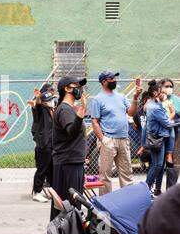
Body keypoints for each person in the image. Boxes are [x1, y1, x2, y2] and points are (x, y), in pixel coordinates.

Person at [90, 71, 141, 195]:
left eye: (114, 78)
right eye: (111, 78)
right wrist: (103, 140)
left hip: (124, 139)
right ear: (103, 82)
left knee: (127, 174)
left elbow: (131, 113)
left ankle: (127, 202)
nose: (114, 80)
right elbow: (95, 121)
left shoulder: (121, 96)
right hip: (108, 140)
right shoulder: (97, 99)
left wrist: (135, 98)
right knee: (105, 176)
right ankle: (106, 204)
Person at [50, 76, 87, 221]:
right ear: (66, 88)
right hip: (68, 164)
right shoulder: (65, 109)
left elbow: (74, 137)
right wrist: (81, 112)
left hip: (72, 162)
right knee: (69, 207)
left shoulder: (69, 109)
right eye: (76, 85)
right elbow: (71, 131)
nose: (80, 88)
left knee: (71, 206)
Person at [144, 80, 179, 196]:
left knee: (158, 165)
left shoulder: (153, 104)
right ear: (155, 93)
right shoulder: (154, 107)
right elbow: (167, 123)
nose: (163, 92)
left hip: (160, 137)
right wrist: (177, 122)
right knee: (157, 165)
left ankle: (152, 190)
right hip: (157, 138)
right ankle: (146, 188)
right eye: (161, 90)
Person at [28, 84, 56, 203]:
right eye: (48, 100)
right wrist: (38, 97)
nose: (51, 102)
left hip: (52, 144)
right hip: (44, 144)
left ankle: (51, 191)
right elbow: (37, 104)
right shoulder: (41, 109)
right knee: (42, 169)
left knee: (52, 169)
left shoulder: (52, 110)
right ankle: (37, 192)